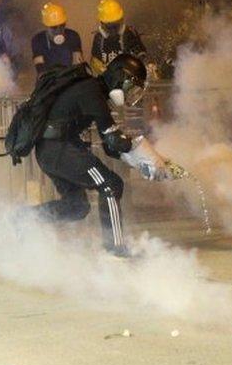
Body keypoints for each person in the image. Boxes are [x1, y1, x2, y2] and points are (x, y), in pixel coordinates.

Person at [32, 53, 165, 257]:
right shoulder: (91, 91)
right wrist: (145, 153)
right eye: (130, 86)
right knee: (111, 185)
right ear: (118, 76)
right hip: (58, 148)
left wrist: (139, 161)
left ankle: (20, 221)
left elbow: (110, 147)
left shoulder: (94, 92)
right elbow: (114, 141)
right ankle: (115, 248)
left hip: (52, 149)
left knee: (76, 207)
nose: (130, 93)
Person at [90, 0, 148, 77]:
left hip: (129, 78)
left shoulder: (129, 33)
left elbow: (140, 53)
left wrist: (143, 65)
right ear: (102, 23)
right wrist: (105, 72)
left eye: (116, 24)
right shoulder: (99, 38)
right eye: (110, 26)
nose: (113, 29)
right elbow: (95, 60)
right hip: (108, 80)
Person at [31, 2, 83, 75]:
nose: (58, 31)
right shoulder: (38, 40)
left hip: (71, 78)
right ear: (46, 26)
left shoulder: (73, 36)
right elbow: (40, 70)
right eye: (54, 27)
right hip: (49, 80)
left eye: (62, 26)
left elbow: (78, 65)